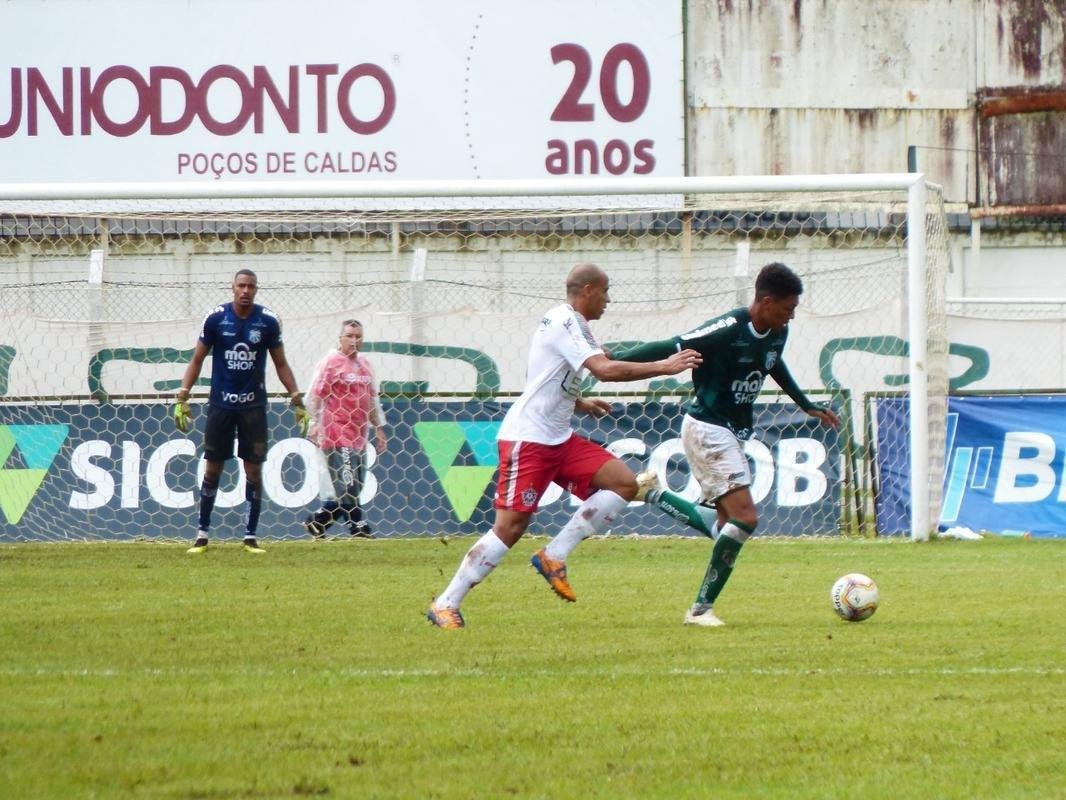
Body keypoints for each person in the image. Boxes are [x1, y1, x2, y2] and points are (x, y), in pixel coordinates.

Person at [426, 263, 703, 629]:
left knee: (623, 482)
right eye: (605, 291)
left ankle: (554, 555)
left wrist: (578, 402)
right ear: (587, 290)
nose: (608, 299)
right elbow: (604, 370)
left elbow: (542, 377)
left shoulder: (571, 325)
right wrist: (665, 366)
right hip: (529, 439)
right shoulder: (566, 322)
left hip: (558, 438)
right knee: (510, 527)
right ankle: (446, 603)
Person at [618, 262, 840, 626]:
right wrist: (609, 361)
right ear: (766, 301)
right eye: (788, 308)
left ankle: (653, 494)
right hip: (708, 427)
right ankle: (700, 609)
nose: (792, 316)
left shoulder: (777, 331)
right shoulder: (728, 329)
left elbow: (772, 364)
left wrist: (805, 404)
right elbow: (671, 344)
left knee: (725, 526)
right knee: (745, 517)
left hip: (733, 430)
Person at [172, 269, 309, 554]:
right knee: (213, 468)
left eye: (250, 286)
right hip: (221, 405)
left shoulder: (268, 321)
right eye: (241, 286)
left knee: (253, 471)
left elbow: (281, 364)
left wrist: (297, 400)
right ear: (232, 288)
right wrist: (182, 395)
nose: (245, 290)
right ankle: (202, 535)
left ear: (256, 290)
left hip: (253, 406)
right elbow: (197, 358)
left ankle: (250, 537)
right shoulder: (216, 318)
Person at [302, 319, 387, 539]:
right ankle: (358, 527)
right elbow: (315, 395)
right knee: (347, 482)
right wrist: (312, 425)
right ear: (340, 338)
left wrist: (378, 427)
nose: (354, 340)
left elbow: (371, 400)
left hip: (359, 434)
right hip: (335, 431)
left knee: (354, 486)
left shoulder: (365, 365)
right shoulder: (330, 363)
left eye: (358, 336)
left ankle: (317, 522)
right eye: (349, 336)